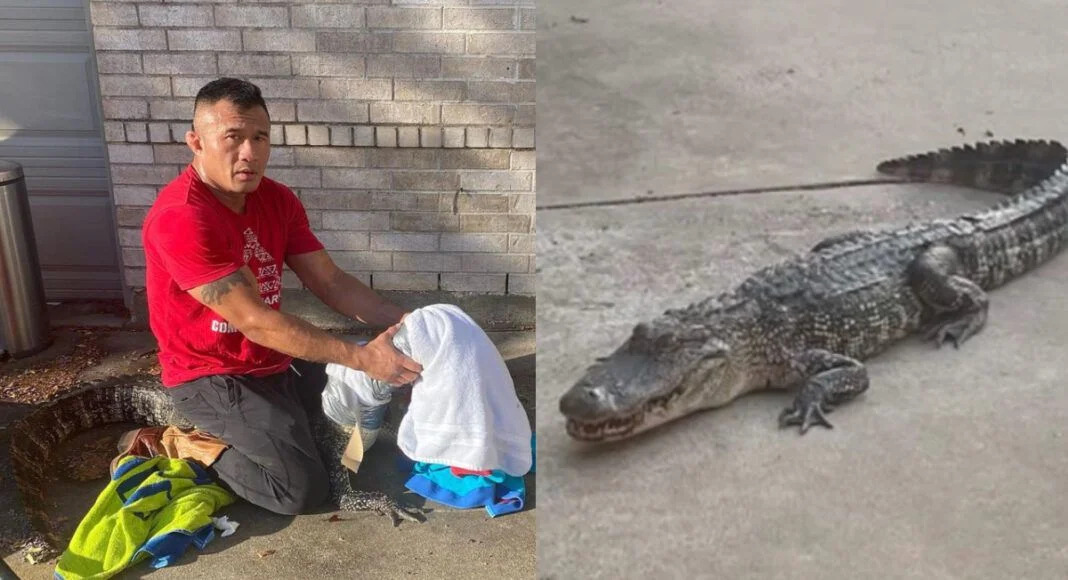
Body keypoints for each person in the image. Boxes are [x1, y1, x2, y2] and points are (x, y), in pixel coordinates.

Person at [137, 77, 423, 516]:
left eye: (260, 137)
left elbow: (330, 281)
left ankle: (280, 420)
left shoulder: (278, 200)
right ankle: (183, 441)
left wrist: (411, 323)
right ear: (196, 142)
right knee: (301, 491)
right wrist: (363, 356)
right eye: (232, 137)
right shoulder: (181, 217)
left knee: (362, 416)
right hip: (211, 375)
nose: (249, 152)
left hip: (271, 359)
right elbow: (254, 320)